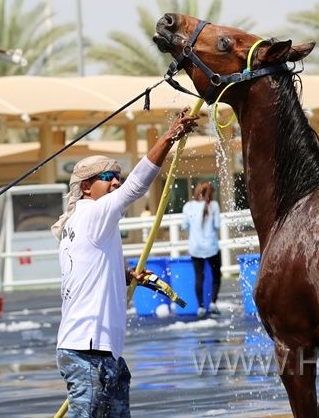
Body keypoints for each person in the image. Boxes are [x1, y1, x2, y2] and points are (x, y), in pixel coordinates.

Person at [52, 108, 198, 417]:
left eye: (118, 175)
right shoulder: (92, 212)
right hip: (86, 351)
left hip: (99, 350)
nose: (116, 182)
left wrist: (126, 274)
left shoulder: (81, 222)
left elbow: (89, 267)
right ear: (86, 187)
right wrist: (170, 136)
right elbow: (136, 187)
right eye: (107, 177)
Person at [181, 182, 222, 318]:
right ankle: (213, 303)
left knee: (199, 277)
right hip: (212, 247)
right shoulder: (214, 206)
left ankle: (200, 307)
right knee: (216, 276)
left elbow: (184, 225)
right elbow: (217, 225)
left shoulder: (188, 206)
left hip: (195, 247)